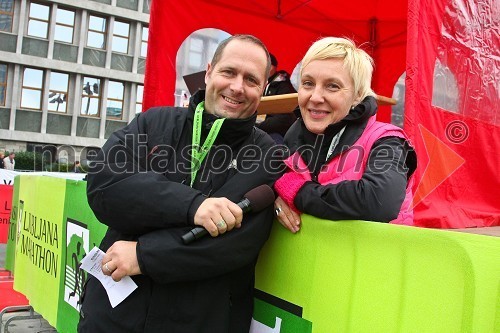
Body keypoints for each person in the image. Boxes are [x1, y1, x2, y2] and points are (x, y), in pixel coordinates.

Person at [78, 35, 282, 333]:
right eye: (229, 72)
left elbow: (231, 245)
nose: (237, 87)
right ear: (210, 71)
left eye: (251, 79)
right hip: (112, 317)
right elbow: (104, 186)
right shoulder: (153, 123)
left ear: (263, 89)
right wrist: (193, 206)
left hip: (199, 321)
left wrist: (143, 255)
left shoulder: (267, 155)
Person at [273, 37, 417, 233]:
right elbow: (272, 181)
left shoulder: (387, 141)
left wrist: (297, 192)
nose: (315, 97)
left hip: (374, 259)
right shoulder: (294, 134)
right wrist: (277, 199)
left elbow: (380, 202)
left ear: (357, 95)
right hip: (312, 259)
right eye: (308, 83)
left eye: (332, 86)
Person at [256, 53, 297, 143]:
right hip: (259, 131)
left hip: (276, 134)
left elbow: (285, 118)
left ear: (271, 67)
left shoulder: (284, 86)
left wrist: (257, 126)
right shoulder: (259, 84)